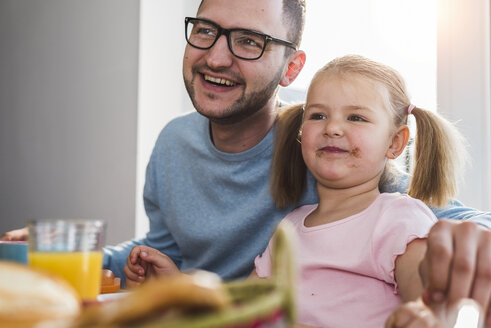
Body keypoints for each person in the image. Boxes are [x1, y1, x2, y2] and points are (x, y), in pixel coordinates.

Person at [2, 0, 490, 324]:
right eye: (207, 31)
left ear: (291, 67)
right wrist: (78, 254)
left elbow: (440, 220)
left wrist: (476, 240)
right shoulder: (173, 143)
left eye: (249, 41)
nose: (216, 57)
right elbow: (165, 243)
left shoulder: (326, 156)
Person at [250, 54, 473, 327]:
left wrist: (427, 313)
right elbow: (242, 309)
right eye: (318, 115)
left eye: (356, 117)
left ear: (394, 142)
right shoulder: (290, 226)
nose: (332, 128)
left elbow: (429, 304)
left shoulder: (397, 218)